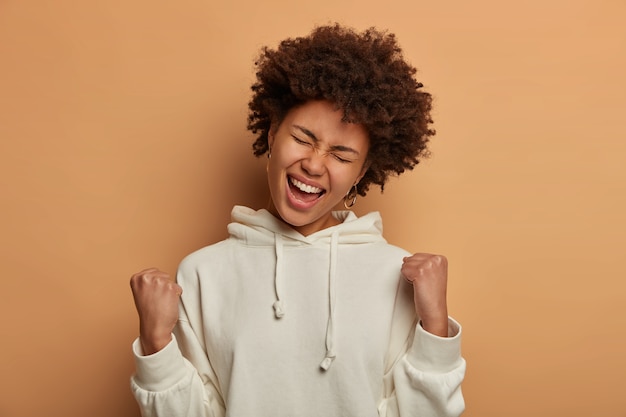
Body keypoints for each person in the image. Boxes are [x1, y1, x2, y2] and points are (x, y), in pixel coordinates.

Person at [129, 23, 466, 417]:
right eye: (303, 138)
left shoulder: (398, 275)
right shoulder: (202, 273)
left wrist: (435, 329)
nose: (314, 163)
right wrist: (156, 344)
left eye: (341, 156)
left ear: (361, 172)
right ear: (272, 133)